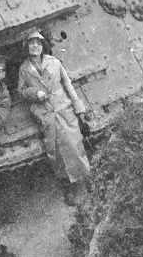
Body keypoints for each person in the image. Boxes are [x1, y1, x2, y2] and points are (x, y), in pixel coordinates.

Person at [17, 29, 90, 206]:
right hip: (45, 114)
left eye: (38, 43)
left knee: (74, 146)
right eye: (31, 43)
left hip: (62, 108)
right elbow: (21, 91)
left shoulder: (55, 62)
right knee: (55, 151)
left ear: (43, 46)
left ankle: (82, 185)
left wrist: (79, 108)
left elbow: (68, 85)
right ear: (27, 48)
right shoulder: (24, 69)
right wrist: (35, 92)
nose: (35, 46)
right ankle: (69, 184)